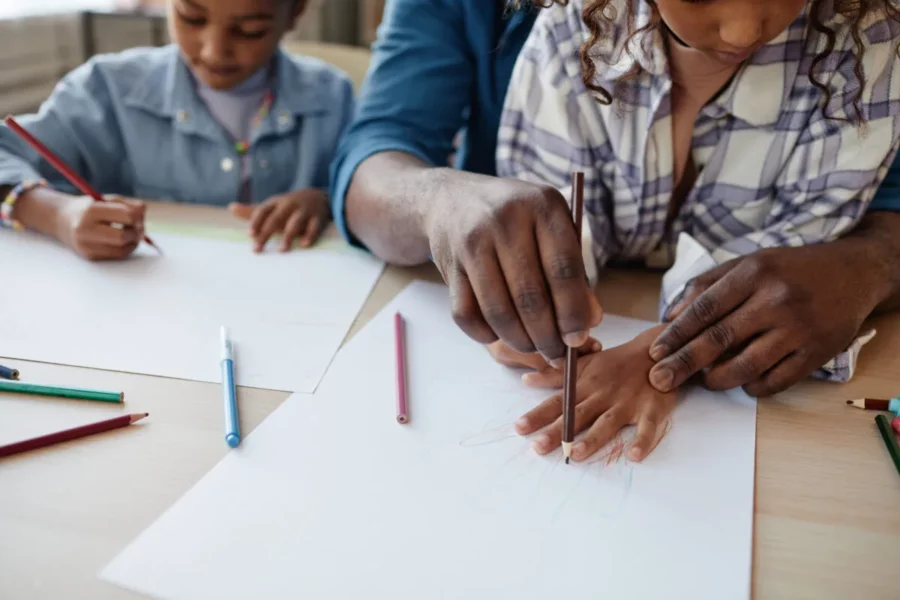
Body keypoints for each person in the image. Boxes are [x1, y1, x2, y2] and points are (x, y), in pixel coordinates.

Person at [331, 0, 900, 412]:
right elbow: (377, 148)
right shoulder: (567, 33)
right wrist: (438, 202)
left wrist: (869, 267)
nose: (744, 29)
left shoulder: (863, 43)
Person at [497, 0, 900, 461]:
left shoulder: (862, 45)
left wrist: (664, 352)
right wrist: (537, 294)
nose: (743, 31)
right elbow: (551, 211)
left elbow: (795, 264)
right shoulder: (575, 26)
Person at [0, 0, 353, 259]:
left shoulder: (334, 97)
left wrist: (326, 200)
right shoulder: (106, 90)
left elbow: (369, 178)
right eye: (191, 18)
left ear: (295, 12)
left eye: (250, 30)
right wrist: (58, 214)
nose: (214, 52)